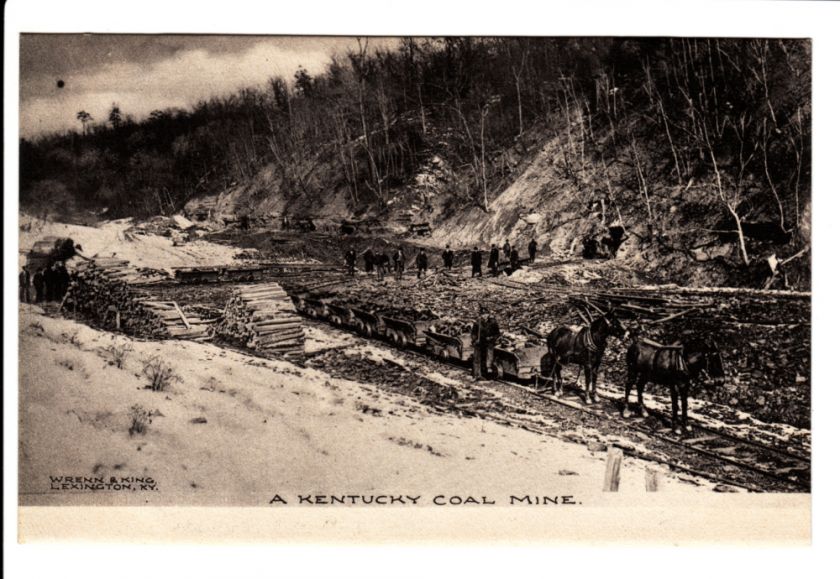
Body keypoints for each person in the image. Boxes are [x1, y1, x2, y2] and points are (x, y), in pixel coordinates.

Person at [471, 307, 501, 380]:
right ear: (480, 315)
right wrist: (475, 340)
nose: (484, 316)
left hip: (489, 343)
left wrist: (492, 338)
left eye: (486, 314)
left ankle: (488, 372)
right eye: (483, 314)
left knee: (489, 356)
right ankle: (477, 375)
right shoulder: (477, 323)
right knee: (477, 358)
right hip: (479, 343)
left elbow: (497, 334)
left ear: (488, 314)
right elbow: (473, 333)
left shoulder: (493, 322)